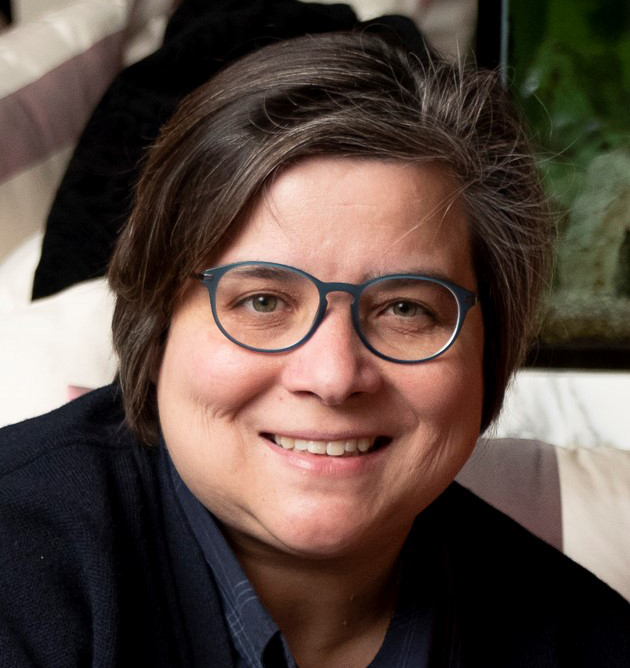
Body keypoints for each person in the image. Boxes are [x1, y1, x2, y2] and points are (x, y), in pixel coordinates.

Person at [1, 29, 629, 668]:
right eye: (263, 302)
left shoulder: (590, 643)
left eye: (405, 309)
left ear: (490, 349)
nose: (333, 377)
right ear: (157, 326)